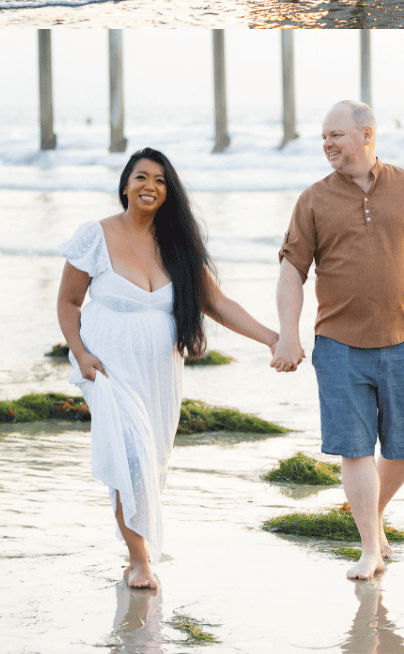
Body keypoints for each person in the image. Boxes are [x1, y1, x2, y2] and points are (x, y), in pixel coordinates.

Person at [56, 148, 279, 590]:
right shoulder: (94, 236)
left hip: (160, 375)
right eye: (141, 177)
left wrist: (272, 339)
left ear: (167, 191)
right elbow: (67, 302)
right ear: (125, 185)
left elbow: (217, 304)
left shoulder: (177, 245)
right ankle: (140, 560)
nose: (150, 186)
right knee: (130, 459)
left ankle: (138, 550)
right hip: (107, 369)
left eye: (159, 180)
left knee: (151, 463)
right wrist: (80, 354)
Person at [271, 100, 404, 581]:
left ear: (367, 134)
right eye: (323, 137)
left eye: (336, 134)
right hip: (337, 345)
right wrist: (288, 336)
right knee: (354, 449)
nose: (328, 144)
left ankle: (372, 516)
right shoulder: (313, 199)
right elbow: (291, 271)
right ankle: (368, 548)